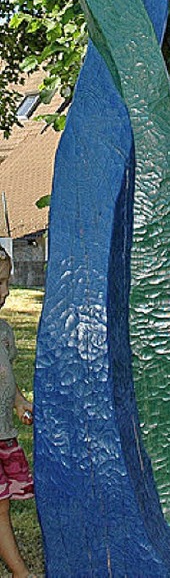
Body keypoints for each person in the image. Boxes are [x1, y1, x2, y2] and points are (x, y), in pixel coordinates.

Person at [0, 247, 35, 578]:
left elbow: (6, 377)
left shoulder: (4, 332)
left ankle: (19, 572)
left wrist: (19, 401)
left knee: (1, 507)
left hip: (2, 435)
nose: (6, 291)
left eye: (6, 282)